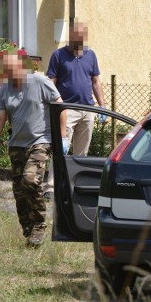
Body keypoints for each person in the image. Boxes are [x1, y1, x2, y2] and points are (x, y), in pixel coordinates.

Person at [0, 49, 68, 247]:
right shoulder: (4, 89)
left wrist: (62, 137)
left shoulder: (40, 82)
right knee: (19, 191)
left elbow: (60, 107)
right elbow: (0, 119)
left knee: (30, 180)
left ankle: (38, 227)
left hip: (40, 142)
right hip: (16, 145)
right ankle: (29, 230)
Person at [43, 20, 106, 198]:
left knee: (82, 153)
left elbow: (95, 82)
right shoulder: (58, 55)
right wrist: (53, 105)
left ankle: (76, 187)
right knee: (60, 150)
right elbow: (51, 83)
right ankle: (50, 188)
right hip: (66, 110)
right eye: (73, 38)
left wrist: (102, 106)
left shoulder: (91, 55)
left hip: (87, 110)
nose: (75, 42)